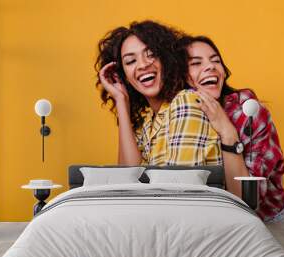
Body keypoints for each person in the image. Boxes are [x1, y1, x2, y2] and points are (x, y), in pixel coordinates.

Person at [178, 35, 284, 222]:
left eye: (215, 60)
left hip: (269, 222)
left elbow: (246, 201)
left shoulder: (249, 113)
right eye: (196, 63)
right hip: (216, 224)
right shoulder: (179, 114)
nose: (210, 66)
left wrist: (227, 131)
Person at [95, 21, 222, 167]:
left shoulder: (187, 101)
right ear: (124, 76)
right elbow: (127, 177)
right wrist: (121, 100)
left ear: (167, 59)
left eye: (152, 54)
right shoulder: (147, 121)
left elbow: (177, 186)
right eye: (130, 61)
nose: (143, 64)